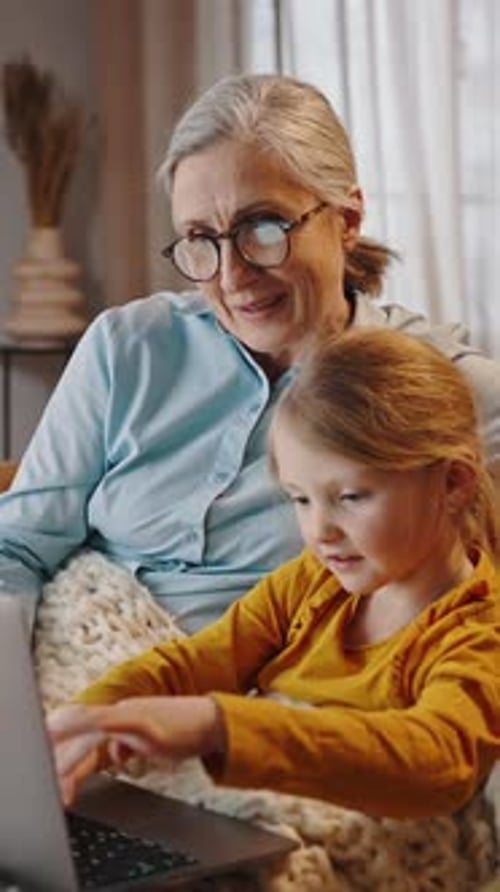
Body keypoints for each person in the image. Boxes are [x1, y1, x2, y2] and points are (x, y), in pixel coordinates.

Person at [0, 73, 499, 634]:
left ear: (348, 219)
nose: (232, 275)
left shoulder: (437, 387)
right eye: (200, 238)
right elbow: (17, 545)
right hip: (75, 670)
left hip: (274, 704)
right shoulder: (127, 347)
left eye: (261, 228)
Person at [48, 327, 500, 819]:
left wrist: (216, 725)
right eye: (300, 499)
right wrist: (90, 719)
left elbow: (436, 763)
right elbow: (200, 661)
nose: (319, 531)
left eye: (350, 498)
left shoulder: (478, 634)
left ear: (453, 483)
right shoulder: (312, 581)